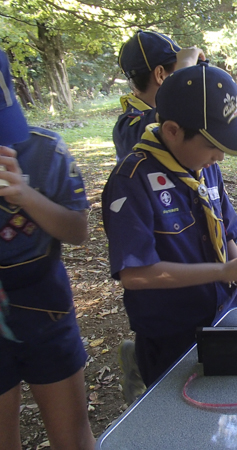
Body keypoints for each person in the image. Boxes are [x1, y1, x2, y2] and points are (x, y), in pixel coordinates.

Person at [102, 62, 237, 387]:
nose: (221, 157)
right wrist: (222, 272)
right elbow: (135, 274)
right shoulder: (132, 180)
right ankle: (139, 376)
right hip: (171, 335)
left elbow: (224, 236)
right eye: (213, 145)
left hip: (222, 318)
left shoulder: (205, 167)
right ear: (172, 130)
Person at [0, 48, 95, 449]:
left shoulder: (46, 151)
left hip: (45, 304)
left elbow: (78, 230)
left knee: (71, 433)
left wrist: (25, 195)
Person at [113, 29, 205, 404]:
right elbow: (158, 126)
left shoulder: (200, 158)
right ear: (163, 77)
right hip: (162, 308)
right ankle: (139, 366)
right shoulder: (132, 124)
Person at [113, 30, 205, 163]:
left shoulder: (177, 112)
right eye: (180, 72)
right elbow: (164, 115)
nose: (190, 81)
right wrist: (184, 68)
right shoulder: (127, 126)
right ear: (160, 75)